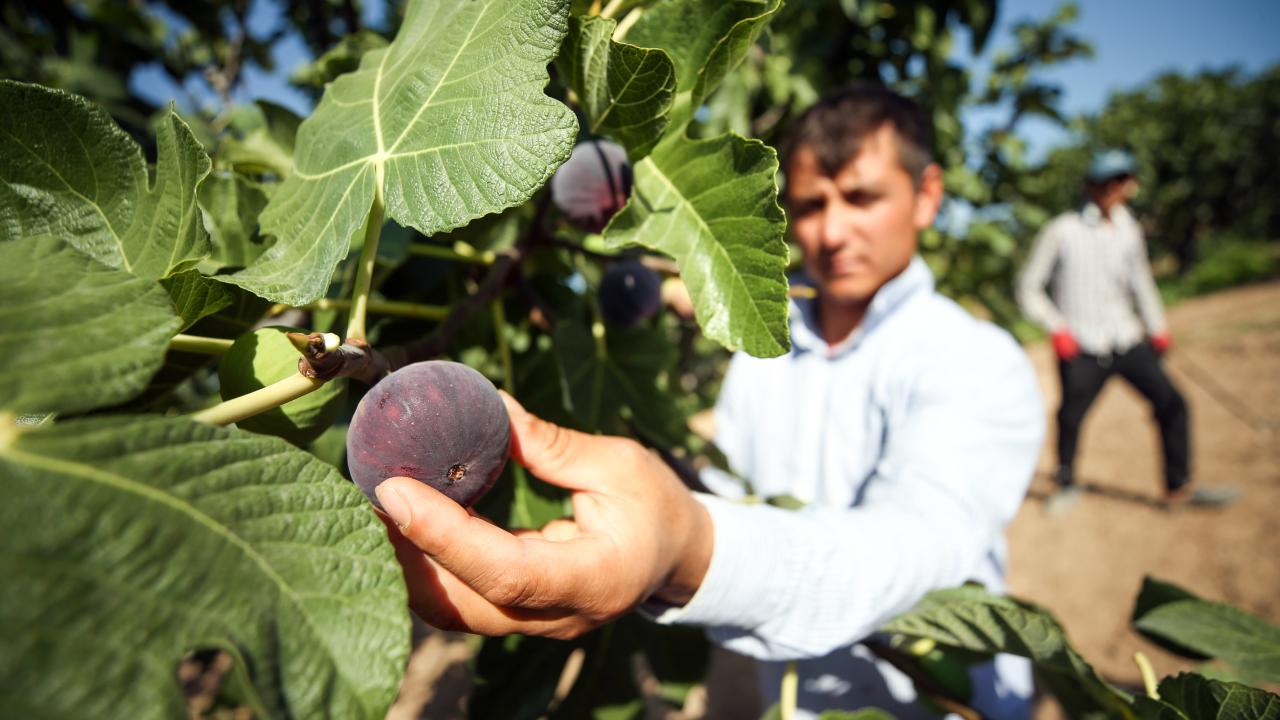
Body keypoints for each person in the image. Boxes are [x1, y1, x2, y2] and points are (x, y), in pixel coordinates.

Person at [373, 85, 1045, 718]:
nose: (832, 232)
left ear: (928, 195)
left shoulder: (975, 361)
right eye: (810, 205)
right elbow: (726, 488)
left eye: (862, 198)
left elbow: (916, 547)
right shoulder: (762, 351)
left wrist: (689, 548)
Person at [1017, 149, 1203, 508]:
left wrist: (1157, 325)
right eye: (1108, 182)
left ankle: (1176, 485)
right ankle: (1067, 481)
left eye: (1121, 181)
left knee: (1173, 403)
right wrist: (1057, 328)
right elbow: (1028, 287)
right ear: (1091, 186)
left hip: (1126, 339)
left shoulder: (1129, 228)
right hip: (1082, 345)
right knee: (1071, 417)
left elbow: (1141, 282)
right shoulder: (1061, 231)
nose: (1116, 189)